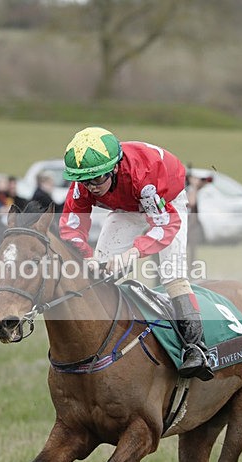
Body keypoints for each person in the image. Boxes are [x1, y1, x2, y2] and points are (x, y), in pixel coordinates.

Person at [59, 126, 213, 381]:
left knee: (171, 275)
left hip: (167, 202)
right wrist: (88, 258)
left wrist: (133, 253)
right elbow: (71, 228)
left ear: (115, 167)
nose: (92, 187)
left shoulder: (143, 177)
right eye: (86, 180)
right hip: (126, 207)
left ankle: (197, 349)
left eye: (97, 179)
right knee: (99, 273)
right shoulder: (83, 184)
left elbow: (166, 224)